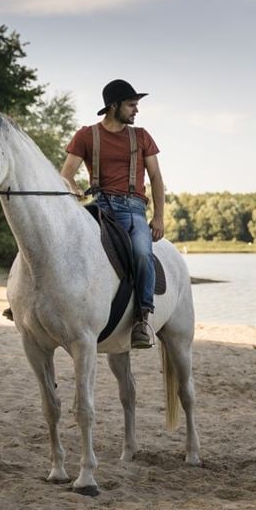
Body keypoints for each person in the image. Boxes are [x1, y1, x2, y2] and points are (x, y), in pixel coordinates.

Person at [59, 79, 164, 349]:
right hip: (99, 207)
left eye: (136, 105)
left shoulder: (141, 136)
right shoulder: (85, 135)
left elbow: (155, 177)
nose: (136, 110)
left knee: (142, 252)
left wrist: (159, 217)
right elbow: (66, 176)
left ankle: (142, 318)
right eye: (131, 105)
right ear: (114, 106)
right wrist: (75, 190)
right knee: (59, 238)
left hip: (134, 209)